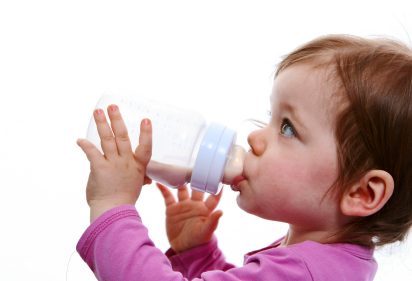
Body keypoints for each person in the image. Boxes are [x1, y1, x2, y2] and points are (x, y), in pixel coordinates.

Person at [75, 34, 412, 280]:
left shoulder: (306, 274)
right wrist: (198, 256)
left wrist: (113, 205)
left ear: (361, 193)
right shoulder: (325, 264)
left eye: (289, 128)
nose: (254, 136)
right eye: (271, 116)